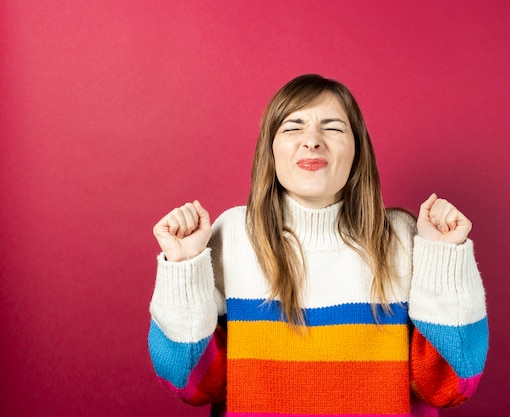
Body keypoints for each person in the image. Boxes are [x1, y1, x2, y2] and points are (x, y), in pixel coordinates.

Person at [148, 74, 488, 417]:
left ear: (358, 149)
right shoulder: (233, 234)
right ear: (271, 148)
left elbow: (450, 386)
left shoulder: (404, 237)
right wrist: (183, 268)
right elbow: (189, 383)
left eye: (333, 128)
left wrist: (444, 258)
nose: (312, 141)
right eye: (293, 127)